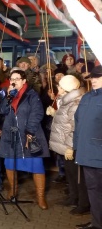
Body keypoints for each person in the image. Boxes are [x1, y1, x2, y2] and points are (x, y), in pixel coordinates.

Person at [0, 70, 50, 210]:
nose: (14, 81)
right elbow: (2, 111)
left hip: (28, 135)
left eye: (17, 78)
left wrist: (30, 131)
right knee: (10, 163)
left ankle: (40, 197)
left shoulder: (32, 95)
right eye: (12, 78)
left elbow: (37, 113)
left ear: (24, 81)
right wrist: (8, 96)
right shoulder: (7, 93)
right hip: (11, 135)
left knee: (36, 165)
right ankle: (12, 190)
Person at [49, 75, 90, 216]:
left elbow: (74, 127)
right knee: (70, 174)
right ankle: (74, 197)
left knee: (78, 176)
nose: (58, 88)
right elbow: (64, 121)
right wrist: (55, 113)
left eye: (60, 86)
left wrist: (70, 146)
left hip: (71, 147)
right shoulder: (67, 101)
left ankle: (83, 203)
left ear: (68, 88)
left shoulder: (75, 103)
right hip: (65, 146)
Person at [73, 66, 102, 229]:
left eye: (98, 77)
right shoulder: (87, 97)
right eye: (93, 77)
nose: (94, 80)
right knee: (93, 190)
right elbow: (78, 122)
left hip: (99, 150)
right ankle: (97, 223)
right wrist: (76, 146)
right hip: (86, 152)